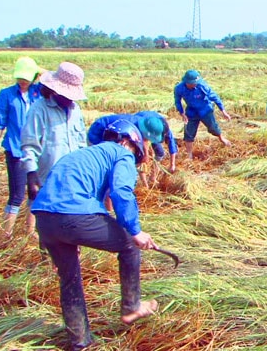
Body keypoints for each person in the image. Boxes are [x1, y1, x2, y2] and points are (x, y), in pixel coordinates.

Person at [31, 119, 159, 350]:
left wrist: (72, 233)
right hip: (73, 216)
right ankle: (132, 306)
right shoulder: (122, 153)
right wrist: (135, 230)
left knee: (69, 279)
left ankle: (80, 341)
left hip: (44, 219)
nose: (134, 157)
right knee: (129, 244)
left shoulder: (83, 155)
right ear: (127, 141)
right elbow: (121, 192)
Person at [0, 57, 43, 238]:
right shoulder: (6, 94)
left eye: (26, 77)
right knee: (17, 195)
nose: (23, 81)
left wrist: (38, 70)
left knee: (34, 191)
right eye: (20, 77)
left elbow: (53, 78)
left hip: (35, 151)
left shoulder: (38, 92)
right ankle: (6, 233)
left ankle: (30, 230)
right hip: (15, 151)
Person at [21, 62, 87, 201]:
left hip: (73, 180)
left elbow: (81, 145)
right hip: (47, 181)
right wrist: (31, 175)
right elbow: (29, 145)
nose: (70, 99)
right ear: (54, 90)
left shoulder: (76, 111)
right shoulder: (39, 110)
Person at [88, 111, 178, 173]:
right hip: (98, 131)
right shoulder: (131, 130)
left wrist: (172, 164)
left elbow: (146, 140)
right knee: (105, 163)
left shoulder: (158, 126)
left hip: (117, 132)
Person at [174, 69, 232, 159]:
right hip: (191, 111)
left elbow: (214, 97)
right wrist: (182, 113)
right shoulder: (179, 88)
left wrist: (223, 111)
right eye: (193, 83)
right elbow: (177, 101)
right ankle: (189, 154)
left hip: (205, 109)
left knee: (213, 128)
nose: (195, 84)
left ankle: (222, 138)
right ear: (187, 82)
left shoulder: (202, 85)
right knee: (188, 133)